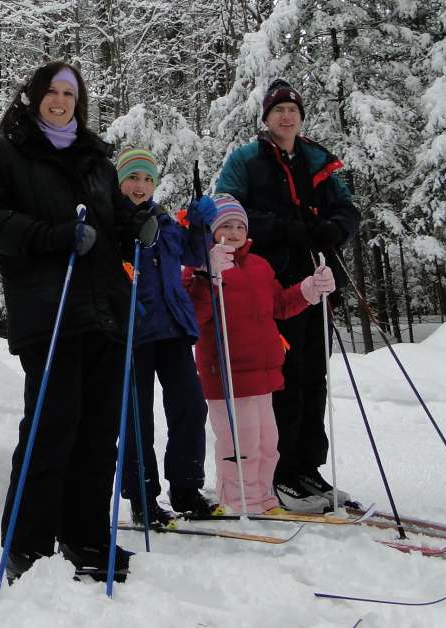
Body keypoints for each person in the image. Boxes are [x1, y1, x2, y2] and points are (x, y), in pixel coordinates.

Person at [0, 61, 158, 581]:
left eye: (69, 93)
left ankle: (88, 540)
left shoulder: (94, 157)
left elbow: (114, 218)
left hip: (104, 313)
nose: (60, 100)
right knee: (53, 425)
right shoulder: (7, 151)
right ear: (33, 97)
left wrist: (136, 223)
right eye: (51, 91)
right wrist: (50, 236)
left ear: (79, 101)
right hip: (48, 311)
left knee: (99, 433)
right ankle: (27, 543)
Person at [214, 78, 361, 512]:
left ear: (301, 117)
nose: (286, 116)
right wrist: (280, 226)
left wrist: (337, 228)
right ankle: (278, 471)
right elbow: (226, 211)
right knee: (284, 378)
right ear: (266, 118)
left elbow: (348, 209)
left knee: (314, 376)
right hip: (270, 284)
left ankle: (307, 467)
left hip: (316, 280)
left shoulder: (318, 159)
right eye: (278, 110)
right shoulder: (246, 159)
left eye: (292, 110)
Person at [183, 194, 336, 514]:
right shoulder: (200, 266)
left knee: (268, 446)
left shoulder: (260, 266)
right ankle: (238, 501)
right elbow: (192, 316)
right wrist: (205, 277)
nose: (235, 231)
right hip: (225, 374)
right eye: (226, 225)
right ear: (211, 230)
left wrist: (310, 288)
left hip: (263, 373)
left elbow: (280, 305)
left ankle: (264, 498)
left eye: (240, 225)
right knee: (241, 447)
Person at [114, 148, 212, 525]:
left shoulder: (165, 221)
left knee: (190, 405)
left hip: (172, 329)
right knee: (137, 418)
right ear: (120, 181)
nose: (140, 186)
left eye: (147, 179)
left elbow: (195, 254)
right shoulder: (113, 220)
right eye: (133, 178)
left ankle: (187, 488)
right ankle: (142, 497)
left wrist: (202, 225)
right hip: (133, 333)